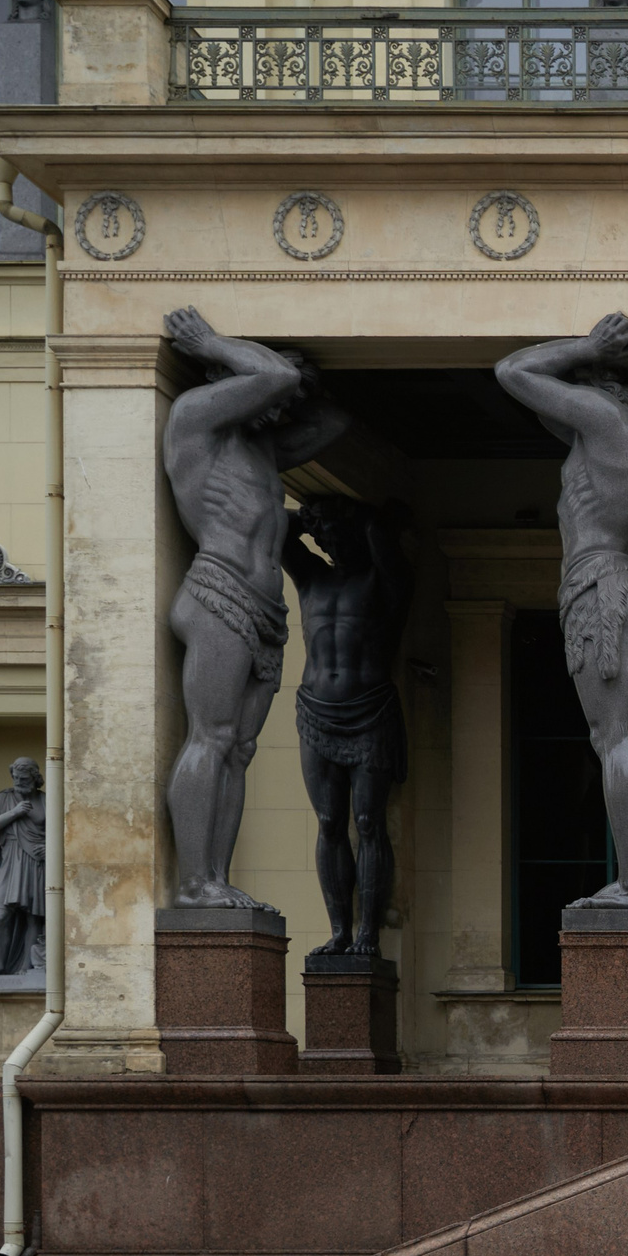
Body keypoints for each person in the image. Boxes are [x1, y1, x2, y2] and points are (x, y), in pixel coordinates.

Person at [161, 306, 352, 910]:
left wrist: (302, 381)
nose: (284, 405)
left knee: (238, 750)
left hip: (265, 610)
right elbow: (271, 381)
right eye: (275, 390)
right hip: (219, 593)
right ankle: (193, 882)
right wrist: (214, 342)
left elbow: (335, 420)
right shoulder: (195, 421)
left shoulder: (261, 451)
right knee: (211, 737)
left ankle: (215, 877)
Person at [495, 313, 628, 908]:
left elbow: (512, 371)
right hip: (625, 584)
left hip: (598, 590)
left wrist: (585, 346)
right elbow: (541, 405)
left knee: (611, 737)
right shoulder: (621, 433)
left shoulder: (604, 418)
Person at [284, 496, 413, 956]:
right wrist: (307, 516)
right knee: (328, 820)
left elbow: (382, 536)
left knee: (367, 820)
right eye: (326, 537)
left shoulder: (384, 581)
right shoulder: (311, 578)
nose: (334, 544)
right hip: (315, 710)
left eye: (342, 534)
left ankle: (367, 935)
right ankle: (339, 930)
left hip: (370, 710)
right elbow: (275, 528)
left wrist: (360, 517)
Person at [0, 758, 44, 978]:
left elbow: (61, 833)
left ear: (34, 778)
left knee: (34, 917)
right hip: (10, 859)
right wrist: (15, 812)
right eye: (16, 778)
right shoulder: (3, 798)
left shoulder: (45, 800)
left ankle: (27, 967)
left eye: (24, 779)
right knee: (1, 914)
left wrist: (50, 848)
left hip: (36, 861)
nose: (19, 782)